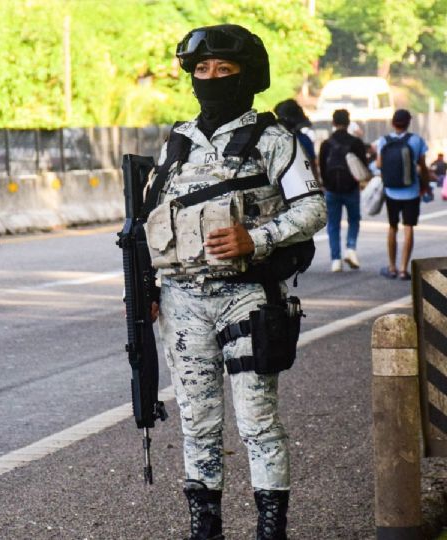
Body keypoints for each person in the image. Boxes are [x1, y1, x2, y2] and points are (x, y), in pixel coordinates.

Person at [148, 25, 326, 539]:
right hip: (182, 302)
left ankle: (271, 531)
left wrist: (258, 239)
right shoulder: (176, 143)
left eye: (223, 71)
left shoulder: (273, 139)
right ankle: (206, 531)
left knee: (257, 422)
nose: (211, 79)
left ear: (247, 76)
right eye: (201, 70)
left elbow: (313, 208)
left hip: (246, 298)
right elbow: (148, 221)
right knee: (197, 425)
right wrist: (145, 292)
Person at [375, 109, 432, 280]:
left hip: (391, 191)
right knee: (408, 227)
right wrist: (426, 185)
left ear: (393, 123)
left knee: (392, 227)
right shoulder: (416, 140)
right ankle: (402, 269)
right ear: (409, 123)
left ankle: (391, 267)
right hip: (411, 191)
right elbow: (423, 166)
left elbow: (379, 164)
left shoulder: (383, 141)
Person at [318, 109, 369, 272]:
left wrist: (326, 184)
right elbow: (363, 167)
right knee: (354, 220)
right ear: (348, 123)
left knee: (333, 224)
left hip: (331, 190)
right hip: (351, 189)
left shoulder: (326, 143)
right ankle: (351, 249)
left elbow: (322, 167)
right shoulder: (356, 143)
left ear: (333, 123)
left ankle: (335, 260)